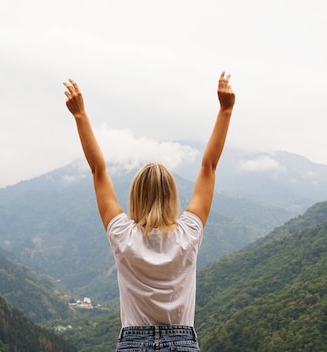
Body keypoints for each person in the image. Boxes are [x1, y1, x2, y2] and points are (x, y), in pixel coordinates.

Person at [63, 72, 235, 352]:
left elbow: (98, 171)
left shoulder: (122, 234)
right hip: (182, 344)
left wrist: (80, 115)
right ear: (172, 196)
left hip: (133, 343)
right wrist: (225, 110)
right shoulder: (189, 232)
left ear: (135, 196)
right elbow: (209, 167)